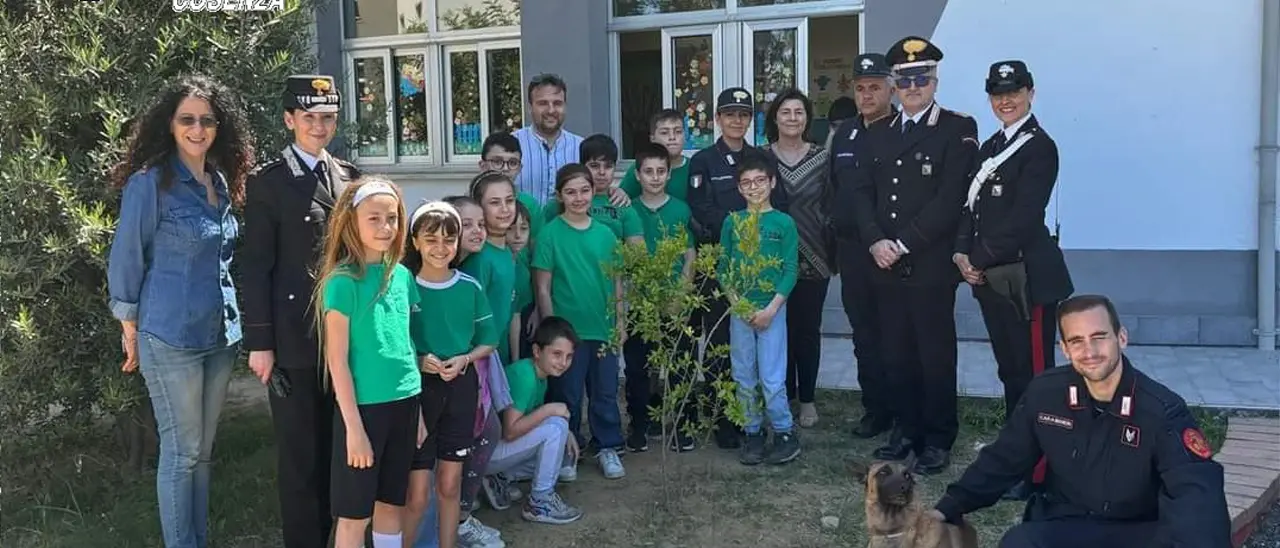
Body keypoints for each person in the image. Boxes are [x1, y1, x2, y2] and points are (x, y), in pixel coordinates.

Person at [930, 295, 1232, 548]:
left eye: (1099, 337)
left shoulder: (1161, 410)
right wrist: (948, 508)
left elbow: (1197, 496)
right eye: (1077, 341)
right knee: (1018, 542)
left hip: (1137, 532)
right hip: (1067, 523)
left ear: (1121, 338)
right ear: (1065, 349)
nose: (1089, 352)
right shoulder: (1046, 393)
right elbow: (1004, 459)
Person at [107, 74, 255, 548]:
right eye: (187, 119)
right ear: (169, 125)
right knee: (182, 451)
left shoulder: (219, 181)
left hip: (218, 336)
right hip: (169, 337)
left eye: (207, 120)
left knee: (204, 452)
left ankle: (198, 539)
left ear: (220, 126)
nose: (198, 129)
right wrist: (128, 325)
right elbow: (127, 255)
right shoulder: (150, 184)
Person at [843, 36, 979, 475]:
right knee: (895, 352)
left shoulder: (957, 128)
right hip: (883, 262)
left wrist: (902, 242)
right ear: (895, 84)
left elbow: (950, 198)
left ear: (935, 81)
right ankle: (906, 429)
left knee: (934, 354)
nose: (914, 85)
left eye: (922, 77)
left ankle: (938, 438)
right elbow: (861, 194)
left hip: (928, 264)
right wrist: (874, 241)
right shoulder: (876, 133)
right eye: (905, 79)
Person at [239, 74, 359, 548]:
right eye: (308, 117)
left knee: (339, 450)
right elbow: (255, 267)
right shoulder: (267, 185)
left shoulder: (348, 177)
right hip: (293, 342)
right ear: (290, 120)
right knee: (300, 458)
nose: (318, 126)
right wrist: (261, 342)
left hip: (346, 338)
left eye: (327, 117)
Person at [954, 60, 1075, 501]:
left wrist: (978, 258)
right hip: (991, 277)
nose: (1005, 100)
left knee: (1036, 377)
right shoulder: (990, 147)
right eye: (997, 93)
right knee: (1010, 372)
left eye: (1014, 91)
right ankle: (1018, 453)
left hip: (1028, 280)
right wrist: (961, 254)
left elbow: (1025, 217)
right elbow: (970, 209)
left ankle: (1041, 471)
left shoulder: (1040, 148)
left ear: (1031, 93)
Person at [312, 177, 423, 548]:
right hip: (363, 413)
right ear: (351, 222)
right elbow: (337, 362)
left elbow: (406, 343)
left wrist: (417, 412)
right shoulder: (341, 283)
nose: (385, 227)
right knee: (354, 516)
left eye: (391, 218)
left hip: (405, 407)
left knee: (392, 505)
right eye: (373, 218)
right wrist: (354, 430)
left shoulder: (403, 276)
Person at [686, 86, 790, 449]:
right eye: (729, 113)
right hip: (720, 264)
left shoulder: (760, 159)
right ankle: (723, 417)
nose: (736, 120)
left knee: (761, 352)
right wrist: (737, 227)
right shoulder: (702, 160)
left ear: (750, 120)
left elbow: (780, 202)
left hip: (760, 269)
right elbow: (700, 207)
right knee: (720, 343)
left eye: (743, 114)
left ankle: (761, 419)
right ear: (717, 119)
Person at [401, 201, 500, 548]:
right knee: (416, 494)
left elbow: (488, 340)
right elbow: (393, 344)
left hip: (460, 387)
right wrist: (419, 359)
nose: (440, 248)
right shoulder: (403, 286)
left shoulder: (469, 286)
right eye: (431, 240)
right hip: (417, 393)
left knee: (449, 485)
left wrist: (465, 359)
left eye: (449, 239)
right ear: (414, 241)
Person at [532, 164, 628, 480]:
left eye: (584, 190)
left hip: (602, 328)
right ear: (559, 195)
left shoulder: (606, 234)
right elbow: (543, 287)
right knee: (567, 394)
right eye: (570, 192)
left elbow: (617, 284)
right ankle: (566, 450)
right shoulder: (550, 234)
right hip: (566, 335)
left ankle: (607, 446)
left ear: (593, 192)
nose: (578, 198)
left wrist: (620, 321)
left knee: (604, 391)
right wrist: (551, 331)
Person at [831, 53, 898, 439]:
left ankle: (900, 409)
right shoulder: (844, 134)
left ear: (890, 88)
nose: (867, 94)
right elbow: (835, 190)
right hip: (852, 251)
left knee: (894, 334)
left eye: (875, 87)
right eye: (860, 88)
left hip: (889, 252)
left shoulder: (900, 130)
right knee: (864, 335)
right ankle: (874, 409)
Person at [720, 154, 801, 466]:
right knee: (743, 373)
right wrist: (737, 303)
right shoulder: (733, 222)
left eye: (759, 181)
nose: (753, 188)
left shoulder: (783, 223)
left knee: (771, 375)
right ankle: (752, 431)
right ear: (739, 188)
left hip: (772, 311)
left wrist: (771, 309)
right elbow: (723, 268)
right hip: (740, 310)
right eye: (746, 183)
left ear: (772, 183)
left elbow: (790, 270)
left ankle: (783, 431)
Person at [762, 87, 833, 428]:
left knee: (806, 331)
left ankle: (807, 399)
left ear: (807, 118)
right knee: (777, 331)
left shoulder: (822, 157)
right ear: (775, 117)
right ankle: (781, 396)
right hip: (770, 259)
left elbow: (832, 204)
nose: (792, 118)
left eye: (799, 112)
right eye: (786, 112)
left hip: (814, 256)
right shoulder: (761, 157)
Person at [623, 141, 698, 453]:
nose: (655, 177)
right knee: (638, 368)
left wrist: (680, 294)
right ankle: (639, 425)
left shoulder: (681, 209)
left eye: (661, 172)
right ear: (637, 175)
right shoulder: (627, 210)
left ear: (669, 175)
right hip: (640, 302)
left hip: (674, 301)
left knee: (681, 363)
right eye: (648, 172)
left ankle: (682, 425)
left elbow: (690, 255)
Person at [484, 316, 586, 524]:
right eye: (557, 354)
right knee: (556, 426)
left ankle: (500, 477)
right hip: (484, 454)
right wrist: (551, 411)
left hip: (491, 452)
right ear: (537, 351)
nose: (563, 362)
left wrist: (565, 431)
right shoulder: (525, 375)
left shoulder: (539, 375)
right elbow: (510, 431)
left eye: (569, 356)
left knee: (564, 454)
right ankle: (540, 502)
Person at [512, 74, 629, 208]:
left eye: (557, 103)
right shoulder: (512, 146)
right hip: (523, 228)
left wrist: (615, 191)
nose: (551, 110)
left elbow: (596, 184)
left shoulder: (581, 147)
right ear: (529, 107)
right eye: (543, 103)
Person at [541, 134, 645, 246]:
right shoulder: (562, 203)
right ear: (582, 166)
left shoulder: (622, 205)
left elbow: (637, 255)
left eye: (608, 166)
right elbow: (542, 242)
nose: (602, 172)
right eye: (594, 166)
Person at [464, 172, 521, 364]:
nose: (505, 209)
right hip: (479, 358)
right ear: (479, 207)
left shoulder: (507, 252)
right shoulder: (479, 257)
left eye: (510, 200)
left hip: (499, 355)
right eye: (495, 202)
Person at [618, 108, 692, 201]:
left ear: (685, 136)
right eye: (664, 133)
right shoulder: (641, 168)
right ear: (652, 138)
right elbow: (622, 199)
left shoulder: (695, 167)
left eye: (678, 132)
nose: (672, 137)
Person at [480, 132, 544, 240]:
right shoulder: (471, 204)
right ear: (483, 166)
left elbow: (538, 244)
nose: (505, 168)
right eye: (497, 161)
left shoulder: (530, 204)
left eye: (513, 163)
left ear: (520, 168)